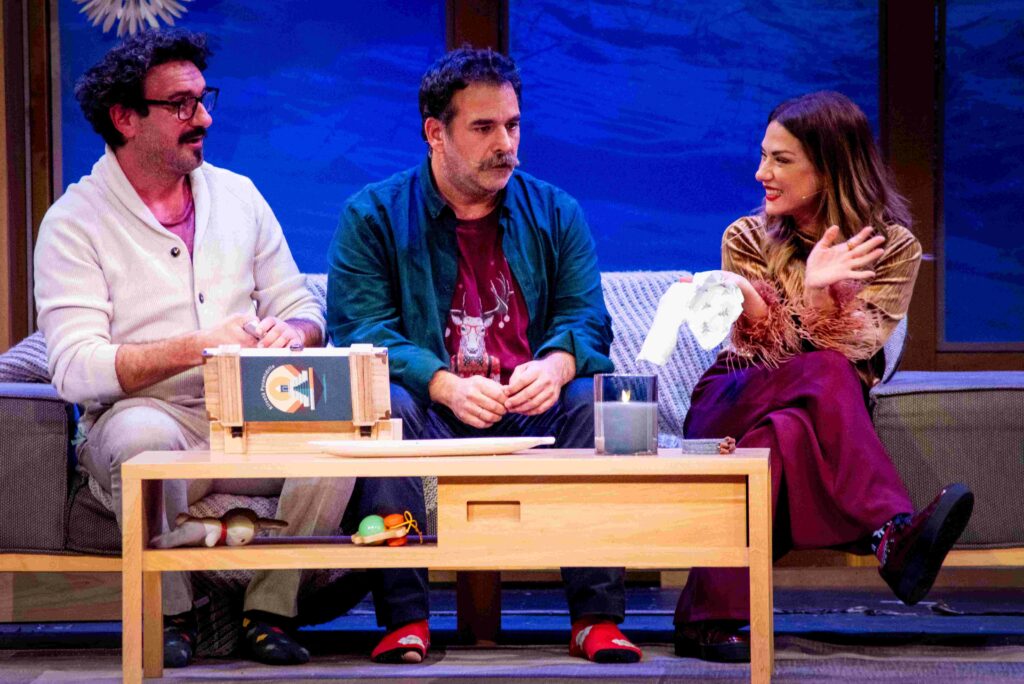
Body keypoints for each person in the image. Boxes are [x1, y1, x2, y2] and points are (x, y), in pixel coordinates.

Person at [34, 30, 428, 668]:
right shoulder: (73, 222)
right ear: (125, 118)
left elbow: (304, 308)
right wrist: (198, 347)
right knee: (141, 438)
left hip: (253, 418)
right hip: (148, 414)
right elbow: (76, 370)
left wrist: (294, 333)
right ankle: (171, 612)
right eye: (181, 105)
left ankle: (270, 609)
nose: (204, 118)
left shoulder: (240, 197)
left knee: (338, 441)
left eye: (203, 99)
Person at [327, 47, 642, 664]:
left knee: (589, 400)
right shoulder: (373, 216)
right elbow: (360, 330)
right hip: (431, 412)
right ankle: (406, 620)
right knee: (384, 403)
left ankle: (596, 619)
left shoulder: (556, 211)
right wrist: (443, 383)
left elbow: (587, 320)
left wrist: (555, 366)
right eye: (484, 127)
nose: (506, 144)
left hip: (530, 412)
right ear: (435, 133)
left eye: (513, 125)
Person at [672, 91, 974, 663]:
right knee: (828, 373)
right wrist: (807, 297)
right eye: (763, 155)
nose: (761, 173)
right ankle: (889, 534)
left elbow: (863, 345)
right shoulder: (745, 237)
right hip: (735, 395)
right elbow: (758, 352)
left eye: (781, 160)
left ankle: (706, 619)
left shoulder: (893, 248)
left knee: (782, 436)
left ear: (831, 167)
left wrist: (820, 298)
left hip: (814, 409)